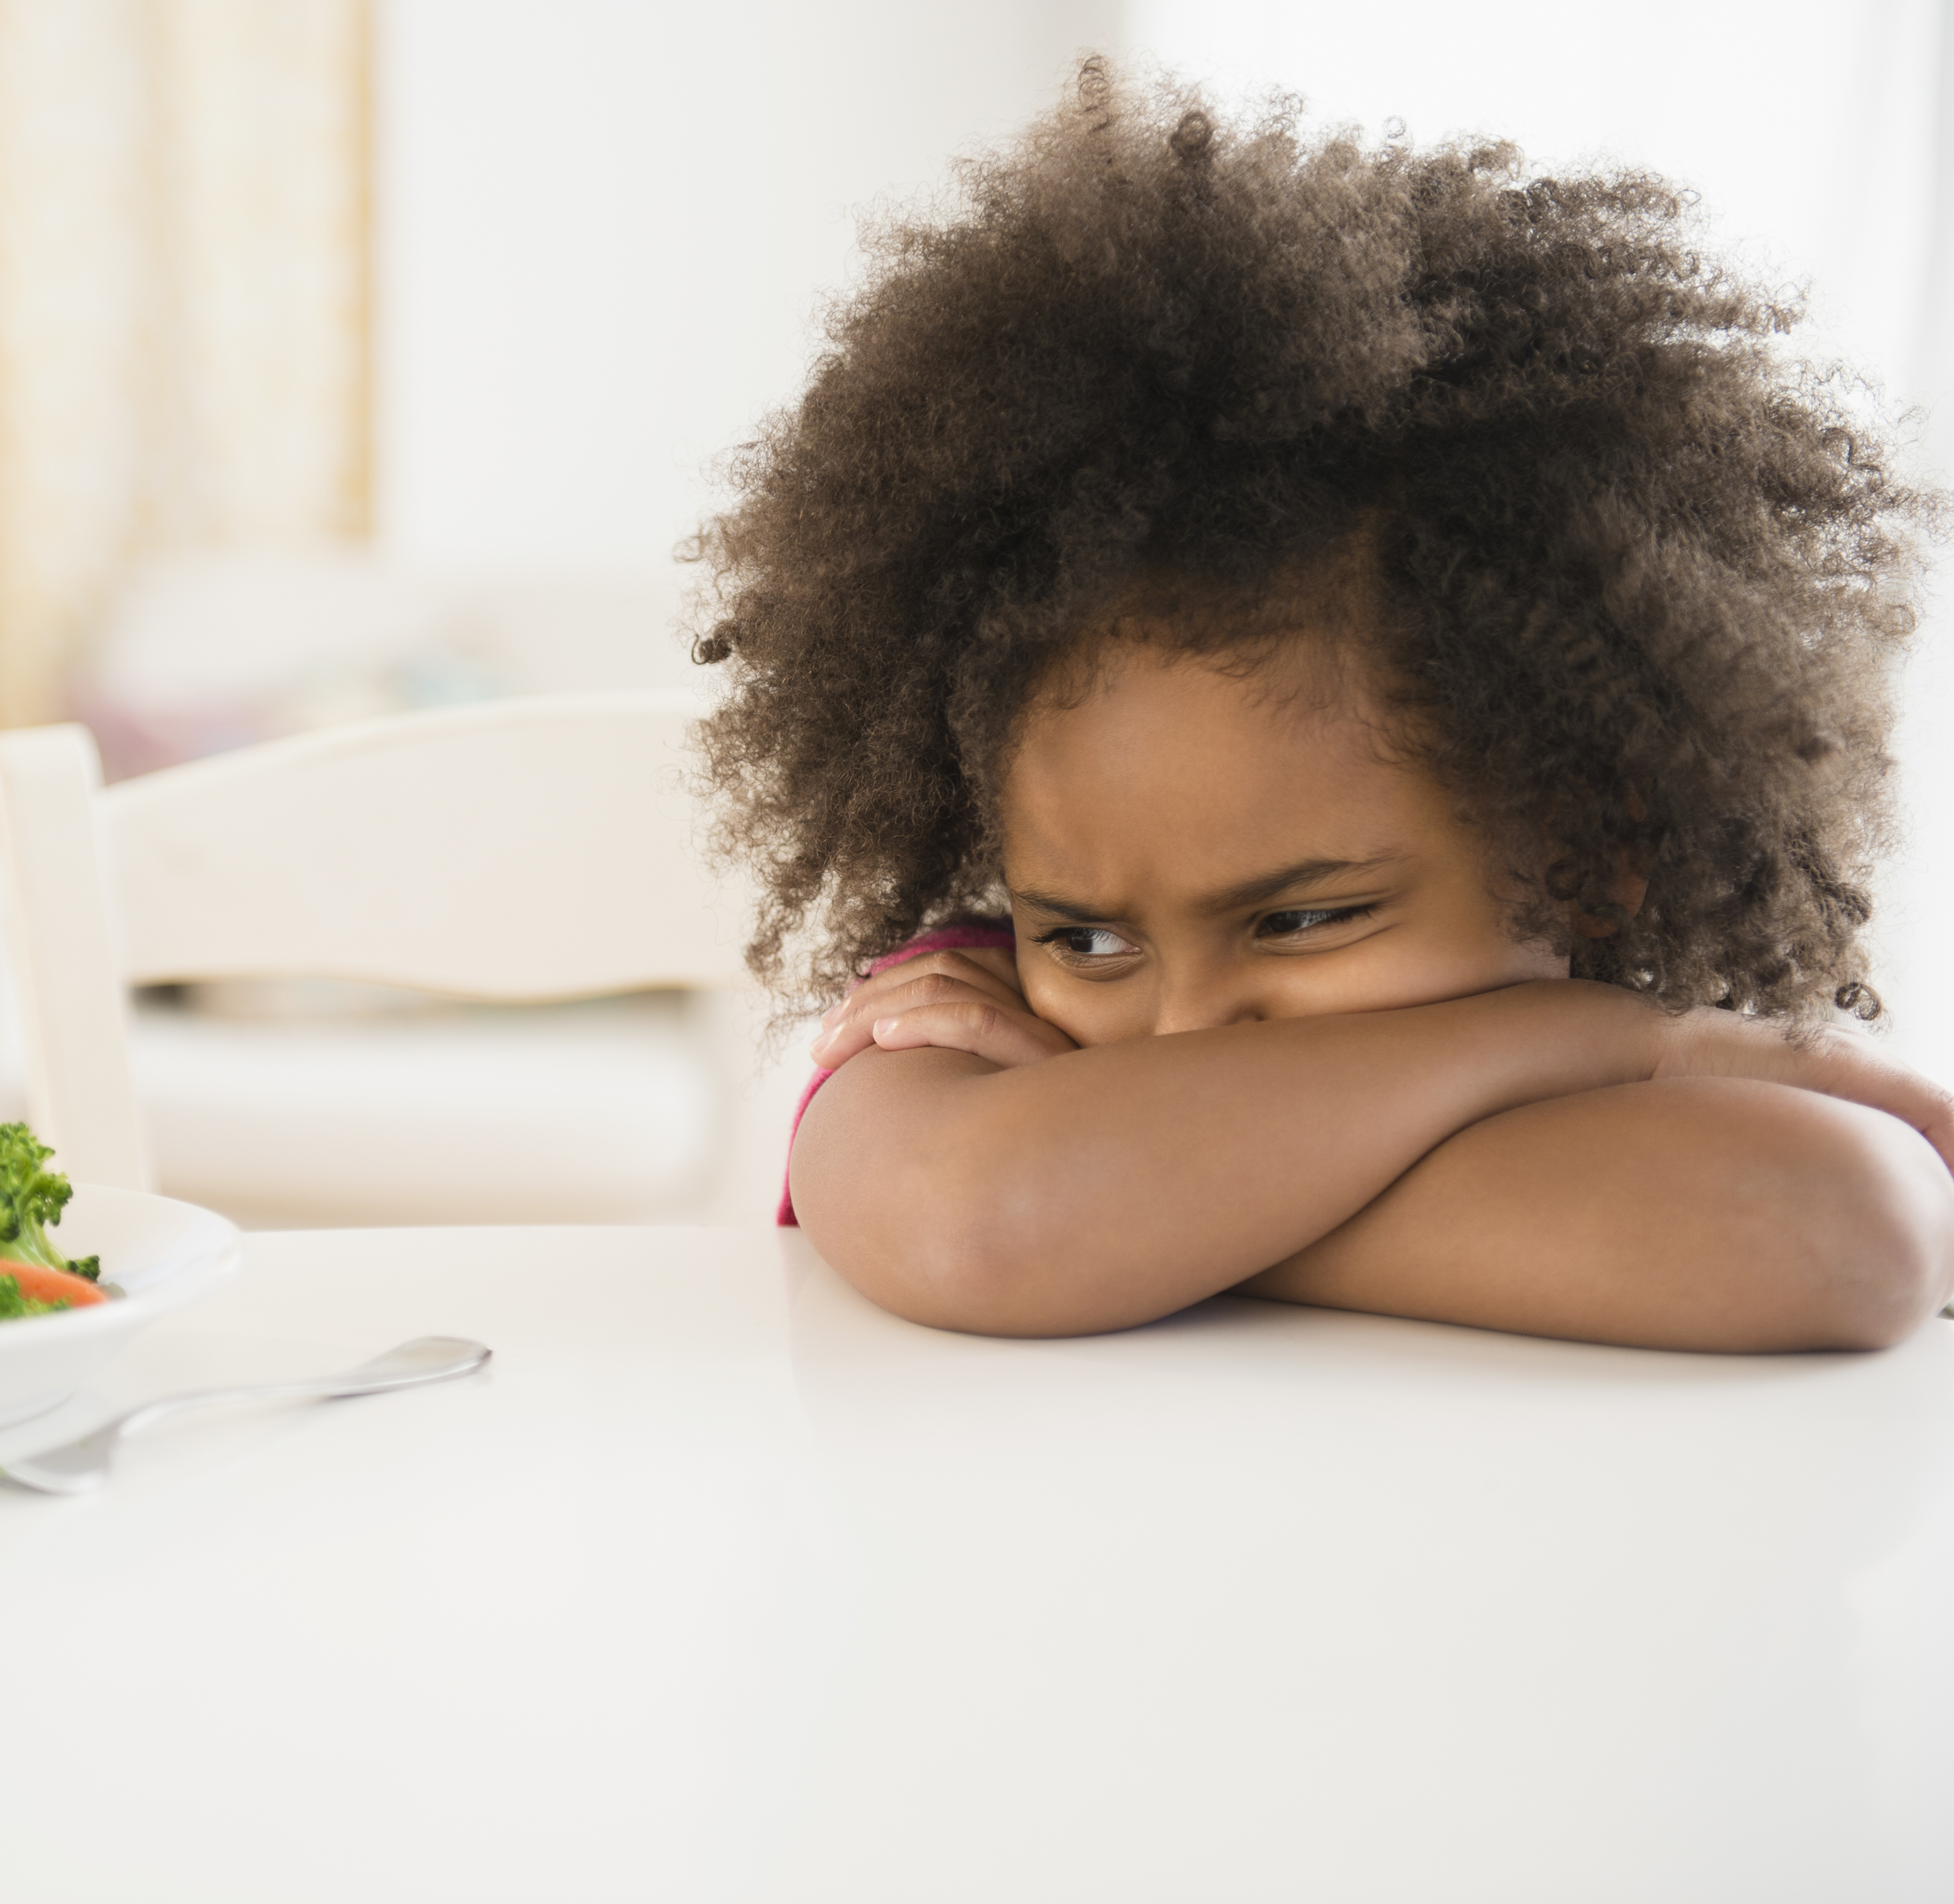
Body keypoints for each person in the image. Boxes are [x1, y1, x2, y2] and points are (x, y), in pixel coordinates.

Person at [698, 66, 1954, 1351]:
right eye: (1082, 940)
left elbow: (1833, 1230)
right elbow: (991, 1223)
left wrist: (1143, 1208)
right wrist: (1594, 1037)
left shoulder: (1057, 1082)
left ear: (1596, 855)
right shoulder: (949, 1016)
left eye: (1299, 919)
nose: (1180, 1027)